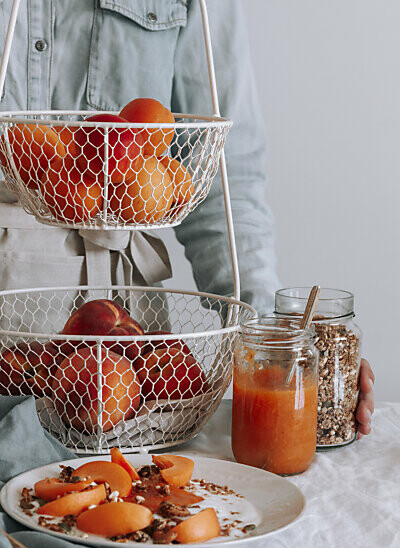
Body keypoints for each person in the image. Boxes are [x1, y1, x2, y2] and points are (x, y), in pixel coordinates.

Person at [0, 0, 374, 435]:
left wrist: (277, 346)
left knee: (145, 493)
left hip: (135, 362)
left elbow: (227, 184)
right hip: (14, 347)